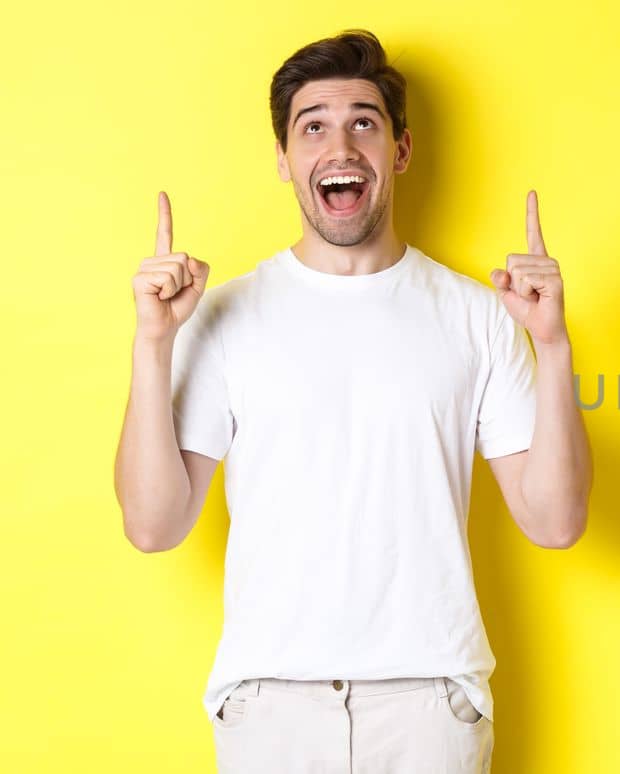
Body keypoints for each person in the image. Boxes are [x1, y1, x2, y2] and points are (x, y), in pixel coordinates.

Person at [111, 28, 593, 772]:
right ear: (284, 159)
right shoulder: (220, 316)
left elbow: (555, 521)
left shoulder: (478, 315)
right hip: (269, 708)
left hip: (430, 708)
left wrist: (553, 346)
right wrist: (152, 344)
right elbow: (153, 524)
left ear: (398, 151)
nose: (340, 146)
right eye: (314, 127)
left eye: (364, 121)